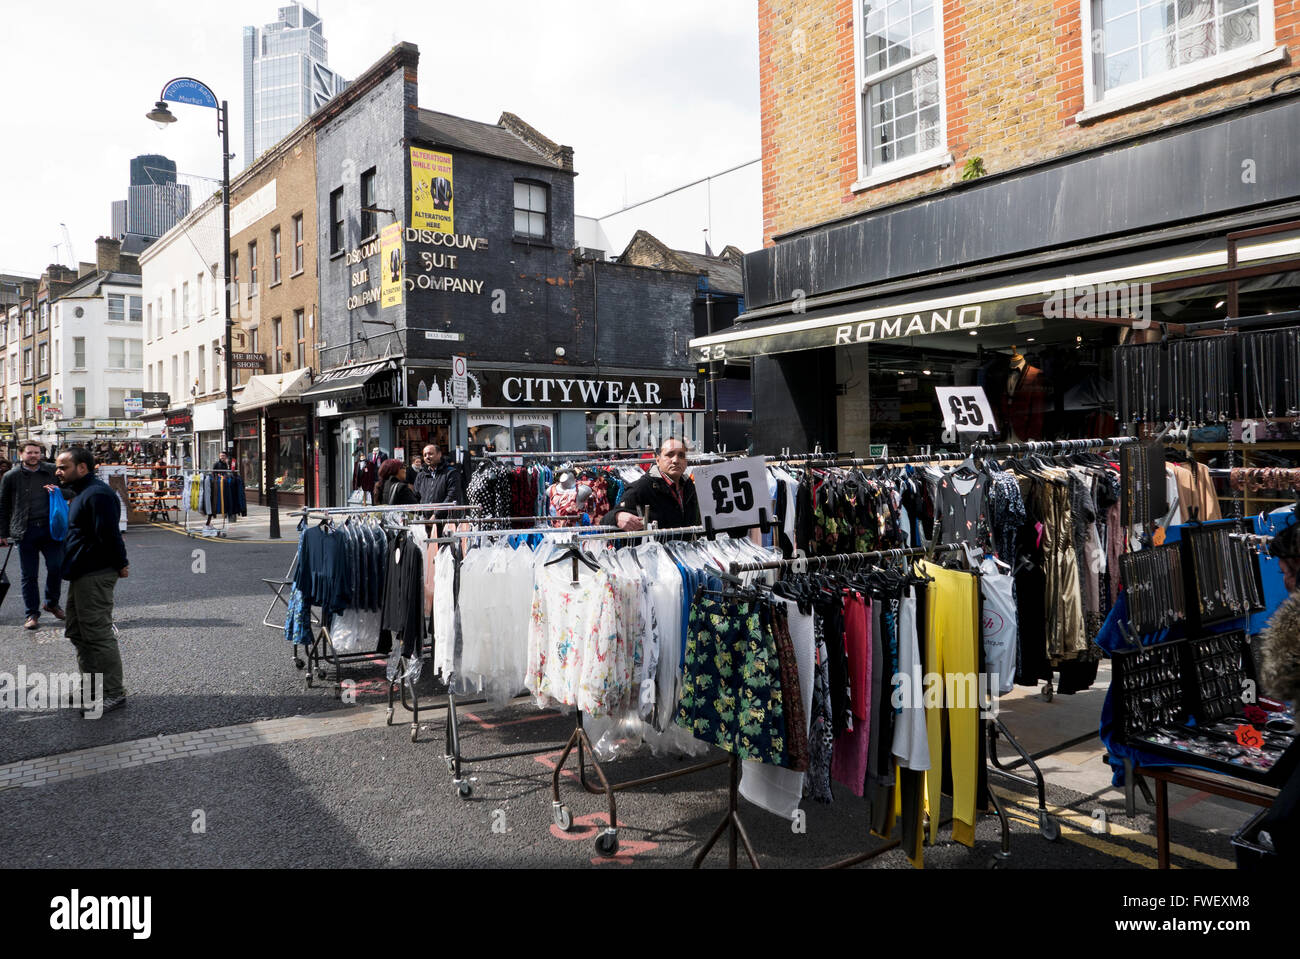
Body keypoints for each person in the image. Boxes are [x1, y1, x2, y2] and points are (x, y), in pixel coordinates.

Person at [55, 447, 129, 715]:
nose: (58, 471)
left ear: (82, 467)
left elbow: (109, 535)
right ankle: (91, 688)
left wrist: (121, 564)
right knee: (77, 632)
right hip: (80, 572)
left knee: (97, 633)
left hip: (96, 573)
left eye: (63, 467)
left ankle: (112, 692)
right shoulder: (80, 492)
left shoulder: (98, 494)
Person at [0, 440, 66, 630]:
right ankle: (31, 614)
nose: (34, 456)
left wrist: (59, 491)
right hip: (25, 530)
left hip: (50, 528)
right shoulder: (11, 476)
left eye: (37, 452)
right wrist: (2, 533)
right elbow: (3, 505)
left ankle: (52, 603)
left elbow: (73, 489)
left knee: (56, 568)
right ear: (21, 454)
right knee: (29, 575)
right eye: (29, 453)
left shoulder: (53, 471)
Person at [602, 436, 699, 531]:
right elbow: (606, 520)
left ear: (686, 461)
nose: (676, 460)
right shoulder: (642, 487)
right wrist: (617, 516)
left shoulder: (689, 486)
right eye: (670, 454)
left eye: (681, 455)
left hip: (687, 547)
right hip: (655, 547)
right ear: (658, 460)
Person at [205, 452, 231, 528]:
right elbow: (213, 473)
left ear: (226, 456)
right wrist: (218, 476)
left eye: (223, 456)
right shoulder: (216, 464)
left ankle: (223, 516)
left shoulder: (226, 464)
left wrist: (225, 476)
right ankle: (209, 521)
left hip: (224, 483)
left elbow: (226, 473)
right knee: (214, 502)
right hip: (217, 484)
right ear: (219, 457)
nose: (222, 457)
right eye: (221, 456)